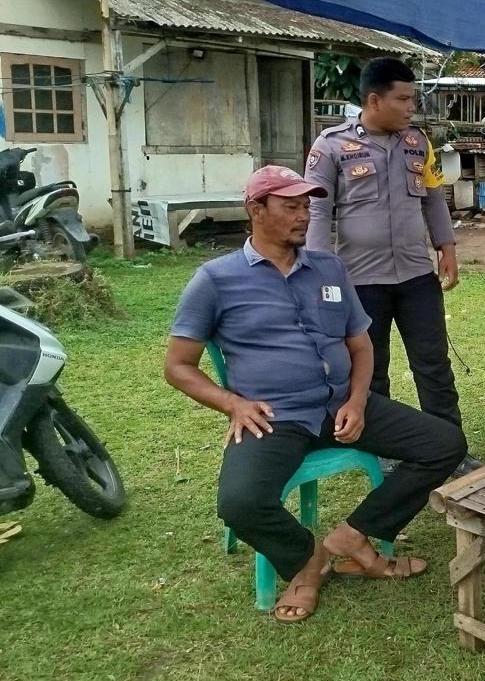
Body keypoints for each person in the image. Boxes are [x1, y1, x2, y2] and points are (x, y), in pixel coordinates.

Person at [164, 165, 467, 623]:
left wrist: (358, 401)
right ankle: (307, 562)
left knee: (445, 443)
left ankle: (354, 535)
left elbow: (361, 346)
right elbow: (177, 366)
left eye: (306, 206)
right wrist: (232, 403)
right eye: (290, 207)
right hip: (273, 417)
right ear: (256, 210)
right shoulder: (215, 280)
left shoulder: (328, 268)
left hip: (340, 405)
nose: (304, 216)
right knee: (240, 503)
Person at [305, 57, 480, 474]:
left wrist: (447, 247)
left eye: (412, 99)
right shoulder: (330, 146)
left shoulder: (418, 142)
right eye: (403, 99)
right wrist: (316, 270)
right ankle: (381, 450)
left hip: (417, 276)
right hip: (360, 282)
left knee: (433, 364)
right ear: (374, 100)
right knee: (371, 368)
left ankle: (451, 448)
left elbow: (434, 199)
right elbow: (317, 212)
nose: (411, 107)